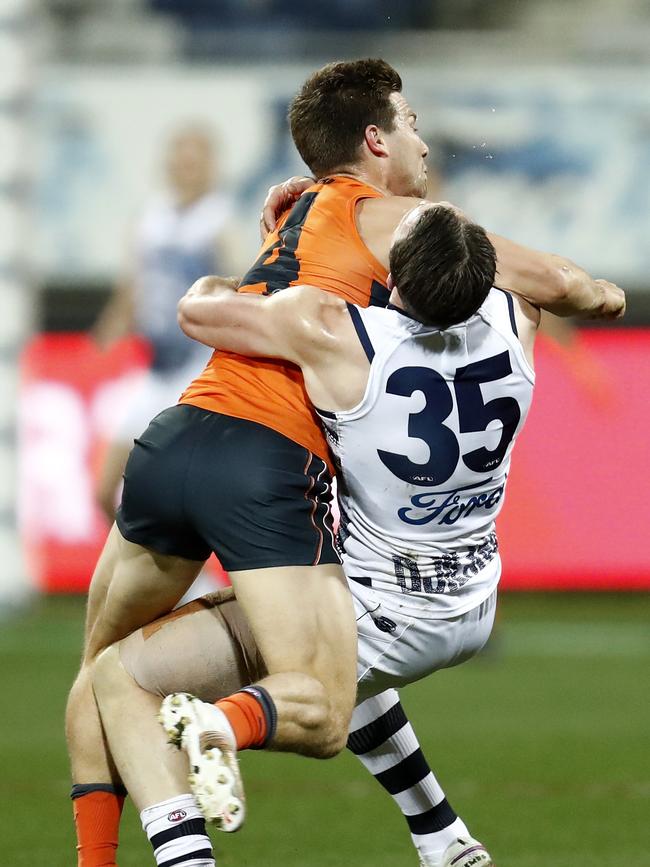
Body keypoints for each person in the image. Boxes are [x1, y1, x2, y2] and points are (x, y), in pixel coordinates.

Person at [66, 58, 625, 867]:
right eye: (411, 124)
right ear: (375, 140)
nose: (422, 142)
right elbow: (563, 284)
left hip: (181, 434)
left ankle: (111, 846)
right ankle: (383, 806)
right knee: (323, 701)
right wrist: (602, 293)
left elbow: (201, 307)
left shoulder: (332, 319)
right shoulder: (512, 321)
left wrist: (261, 250)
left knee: (106, 678)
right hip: (385, 543)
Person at [94, 124, 238, 525]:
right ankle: (134, 570)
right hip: (155, 369)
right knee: (104, 489)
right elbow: (133, 287)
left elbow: (242, 289)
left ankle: (197, 577)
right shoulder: (150, 217)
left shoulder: (218, 220)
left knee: (188, 490)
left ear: (210, 166)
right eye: (180, 158)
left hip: (196, 368)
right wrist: (109, 331)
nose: (185, 168)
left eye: (195, 160)